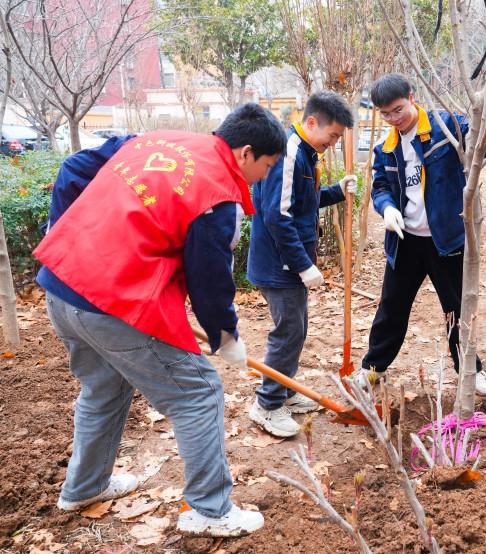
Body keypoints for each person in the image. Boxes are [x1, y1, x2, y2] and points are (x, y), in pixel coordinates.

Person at [33, 103, 286, 537]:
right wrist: (225, 336)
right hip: (110, 301)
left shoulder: (153, 140)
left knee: (104, 386)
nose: (264, 176)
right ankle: (210, 510)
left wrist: (67, 233)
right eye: (267, 165)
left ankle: (84, 488)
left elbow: (75, 166)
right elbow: (209, 281)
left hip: (60, 284)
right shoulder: (217, 193)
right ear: (245, 153)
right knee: (199, 392)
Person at [355, 73, 486, 394]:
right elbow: (380, 187)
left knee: (456, 307)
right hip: (405, 241)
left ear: (412, 96)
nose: (394, 119)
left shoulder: (445, 127)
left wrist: (484, 107)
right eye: (386, 114)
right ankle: (373, 368)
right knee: (392, 307)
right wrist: (387, 209)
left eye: (398, 109)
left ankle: (469, 371)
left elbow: (484, 141)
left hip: (445, 239)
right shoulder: (386, 147)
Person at [247, 91, 357, 437]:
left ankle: (284, 390)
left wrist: (337, 190)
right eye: (333, 135)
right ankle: (266, 404)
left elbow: (302, 204)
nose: (334, 142)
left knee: (297, 330)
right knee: (288, 332)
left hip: (288, 265)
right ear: (312, 122)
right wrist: (302, 265)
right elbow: (278, 217)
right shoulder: (290, 154)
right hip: (279, 266)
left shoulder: (306, 153)